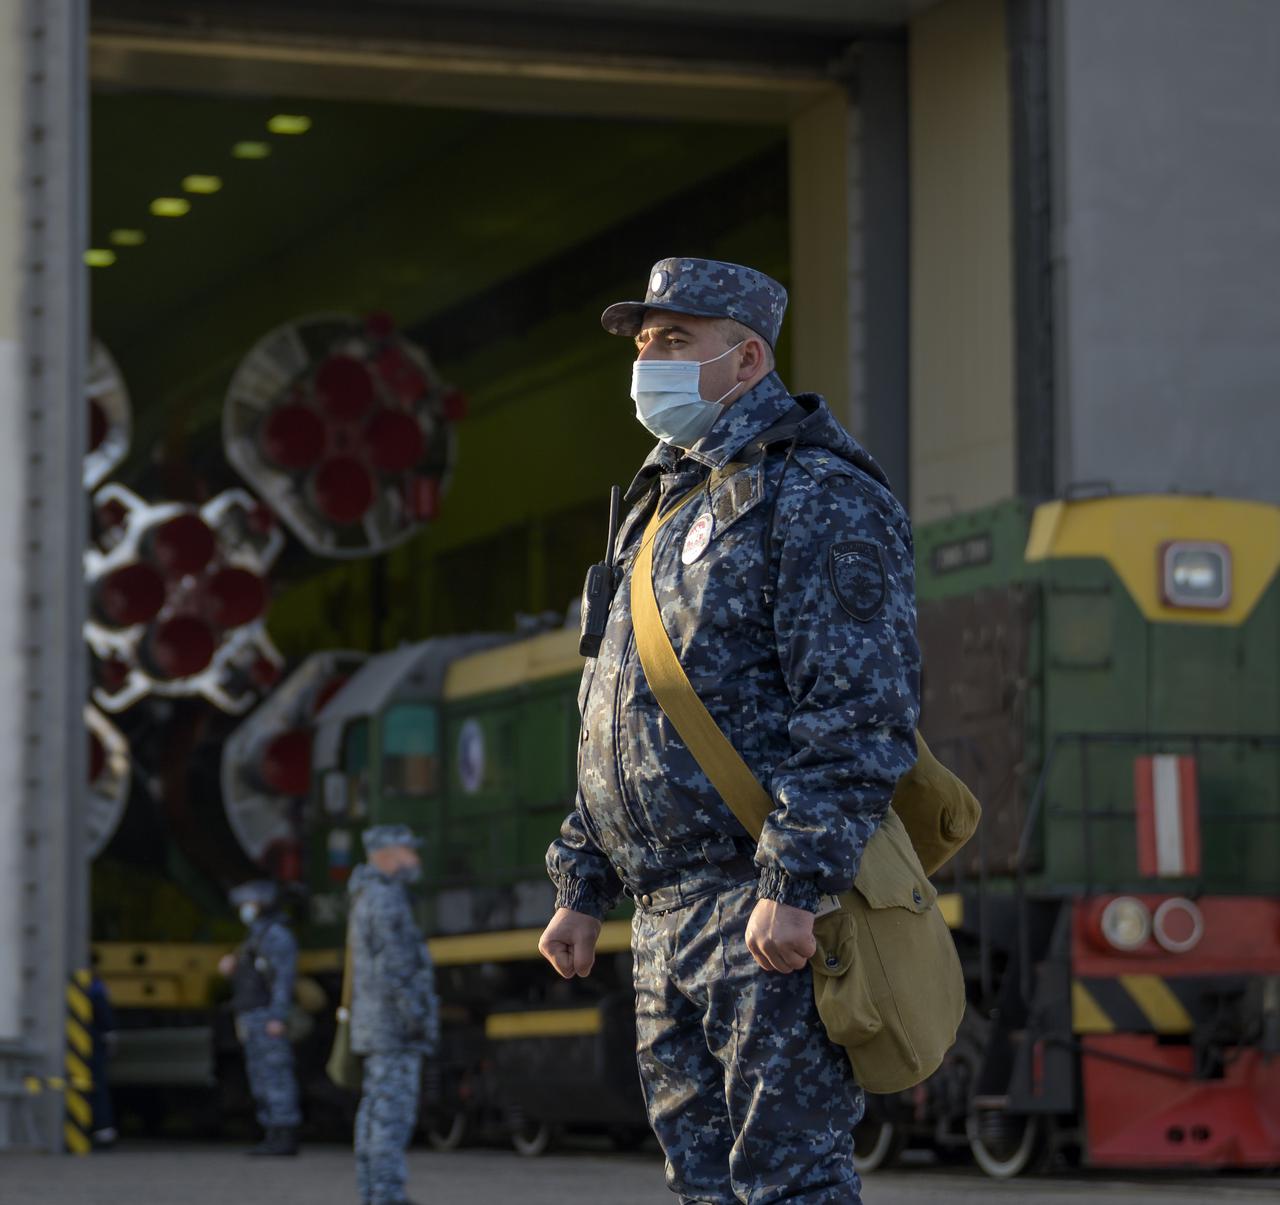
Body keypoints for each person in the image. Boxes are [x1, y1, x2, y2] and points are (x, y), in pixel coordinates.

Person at [540, 257, 921, 1204]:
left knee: (788, 1183)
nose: (649, 363)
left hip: (760, 908)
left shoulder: (818, 493)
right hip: (664, 917)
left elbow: (860, 706)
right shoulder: (654, 511)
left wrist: (795, 882)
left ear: (747, 358)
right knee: (702, 1186)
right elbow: (614, 713)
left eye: (676, 341)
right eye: (643, 344)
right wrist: (581, 883)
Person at [348, 824, 439, 1205]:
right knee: (391, 1114)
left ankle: (373, 1189)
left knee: (374, 1110)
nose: (414, 860)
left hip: (376, 1023)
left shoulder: (366, 896)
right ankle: (386, 1194)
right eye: (408, 852)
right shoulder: (387, 900)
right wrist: (416, 1017)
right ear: (386, 854)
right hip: (395, 1027)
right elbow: (398, 968)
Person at [219, 879, 301, 1156]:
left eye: (249, 903)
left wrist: (277, 1016)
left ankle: (284, 1133)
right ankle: (272, 1132)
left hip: (266, 1016)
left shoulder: (275, 935)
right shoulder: (257, 935)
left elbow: (283, 980)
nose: (245, 909)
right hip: (254, 1015)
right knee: (261, 1076)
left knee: (275, 1075)